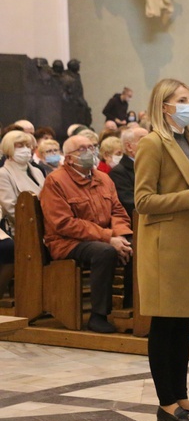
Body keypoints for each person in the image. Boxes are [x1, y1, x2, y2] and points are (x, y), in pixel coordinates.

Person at [134, 78, 189, 421]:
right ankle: (166, 402)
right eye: (181, 99)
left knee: (183, 326)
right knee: (165, 326)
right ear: (164, 105)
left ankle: (182, 396)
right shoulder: (152, 144)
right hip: (165, 248)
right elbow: (142, 201)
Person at [39, 134, 132, 333]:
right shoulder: (55, 181)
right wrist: (109, 237)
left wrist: (121, 236)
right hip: (67, 242)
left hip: (104, 236)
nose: (90, 152)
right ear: (69, 158)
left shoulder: (103, 178)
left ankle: (132, 307)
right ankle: (98, 315)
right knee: (104, 252)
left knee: (136, 245)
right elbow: (64, 223)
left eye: (92, 147)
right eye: (83, 149)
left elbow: (118, 211)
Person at [0, 131, 45, 236]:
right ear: (9, 148)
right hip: (24, 231)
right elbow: (11, 209)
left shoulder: (37, 171)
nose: (25, 149)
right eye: (20, 146)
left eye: (27, 146)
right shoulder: (3, 174)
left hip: (47, 225)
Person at [109, 127, 147, 220]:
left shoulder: (152, 165)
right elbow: (130, 204)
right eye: (144, 140)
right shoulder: (118, 173)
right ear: (129, 147)